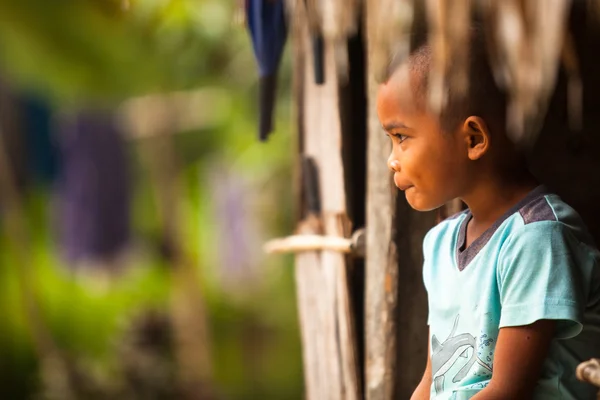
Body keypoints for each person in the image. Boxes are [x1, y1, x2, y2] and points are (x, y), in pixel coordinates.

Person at [376, 31, 600, 399]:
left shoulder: (537, 238)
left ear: (474, 139)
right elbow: (433, 382)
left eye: (401, 137)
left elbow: (507, 391)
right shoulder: (440, 243)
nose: (392, 159)